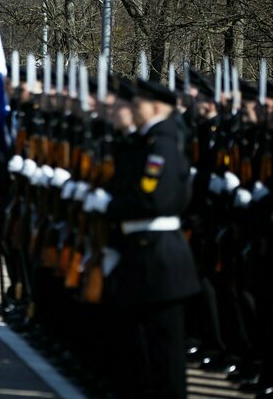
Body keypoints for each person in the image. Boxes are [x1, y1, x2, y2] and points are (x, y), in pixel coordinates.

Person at [87, 78, 200, 398]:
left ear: (154, 108)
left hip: (160, 256)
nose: (131, 111)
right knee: (141, 344)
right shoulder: (149, 142)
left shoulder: (161, 145)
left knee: (165, 352)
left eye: (136, 106)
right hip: (141, 251)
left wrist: (111, 206)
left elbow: (154, 199)